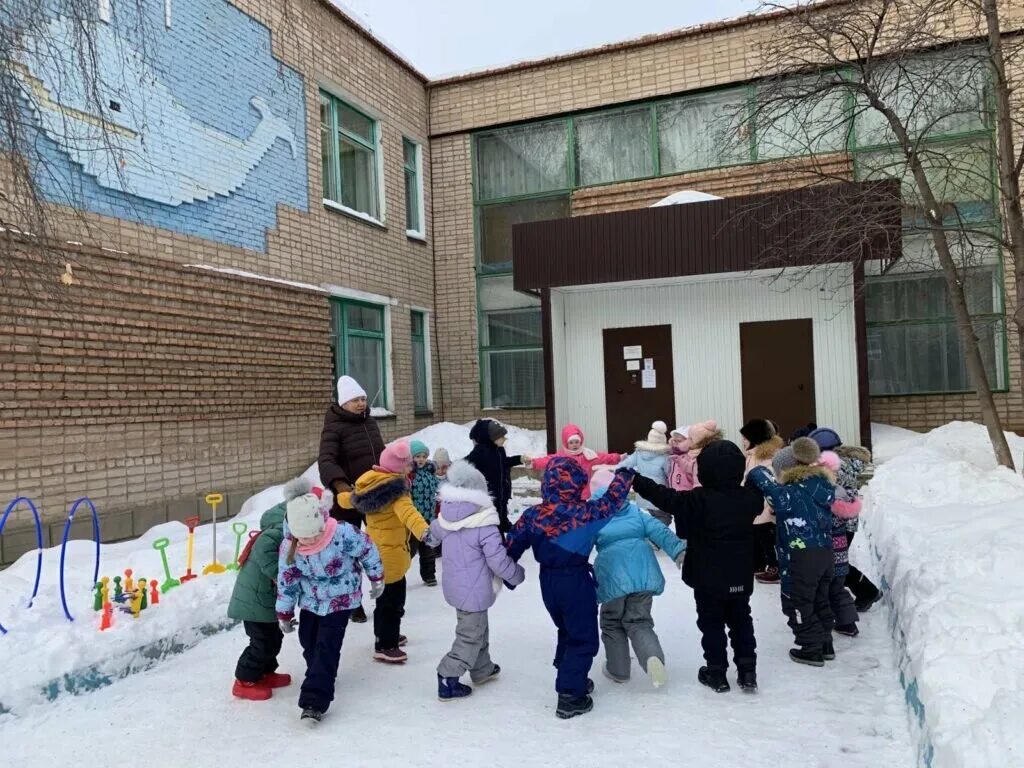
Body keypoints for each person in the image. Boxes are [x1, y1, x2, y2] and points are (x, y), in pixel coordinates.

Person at [506, 458, 635, 720]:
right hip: (575, 581)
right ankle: (570, 695)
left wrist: (507, 575)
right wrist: (624, 475)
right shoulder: (586, 513)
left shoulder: (533, 515)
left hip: (548, 583)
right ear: (578, 484)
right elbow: (611, 501)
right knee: (583, 636)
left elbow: (512, 545)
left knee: (566, 628)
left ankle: (568, 672)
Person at [631, 441, 762, 694]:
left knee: (711, 624)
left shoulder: (696, 500)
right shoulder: (749, 498)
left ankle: (717, 673)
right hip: (739, 575)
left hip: (706, 578)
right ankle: (748, 672)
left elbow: (663, 497)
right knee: (741, 620)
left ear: (703, 471)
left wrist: (636, 480)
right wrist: (756, 479)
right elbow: (759, 495)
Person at [275, 482, 384, 722]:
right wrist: (284, 613)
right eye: (304, 537)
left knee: (327, 645)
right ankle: (320, 672)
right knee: (309, 640)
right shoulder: (289, 547)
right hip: (310, 601)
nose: (311, 540)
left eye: (315, 534)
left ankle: (314, 700)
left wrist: (377, 578)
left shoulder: (342, 533)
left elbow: (368, 550)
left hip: (341, 598)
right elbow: (287, 580)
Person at [430, 461, 526, 701]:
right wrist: (517, 574)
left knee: (477, 628)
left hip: (455, 587)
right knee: (470, 635)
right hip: (475, 590)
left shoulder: (446, 517)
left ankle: (482, 669)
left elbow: (431, 536)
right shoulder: (484, 523)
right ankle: (447, 675)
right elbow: (498, 561)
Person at [339, 440, 438, 664]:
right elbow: (409, 514)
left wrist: (333, 499)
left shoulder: (369, 484)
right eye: (407, 465)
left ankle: (384, 636)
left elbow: (348, 500)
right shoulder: (396, 492)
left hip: (377, 551)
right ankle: (386, 644)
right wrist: (425, 533)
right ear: (397, 467)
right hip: (390, 554)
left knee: (386, 599)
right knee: (392, 602)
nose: (410, 468)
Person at [589, 469, 685, 689]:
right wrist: (679, 551)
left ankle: (618, 669)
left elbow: (580, 544)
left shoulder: (594, 516)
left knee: (612, 622)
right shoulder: (635, 512)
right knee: (639, 621)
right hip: (643, 573)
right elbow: (660, 531)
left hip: (612, 577)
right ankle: (652, 659)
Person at [747, 438, 836, 667]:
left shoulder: (790, 493)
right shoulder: (820, 486)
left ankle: (811, 648)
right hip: (825, 553)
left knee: (797, 601)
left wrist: (757, 470)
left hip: (801, 556)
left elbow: (770, 487)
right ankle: (825, 643)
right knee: (819, 599)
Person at [317, 375, 385, 623]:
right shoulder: (335, 426)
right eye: (356, 400)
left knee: (381, 546)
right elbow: (326, 460)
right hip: (348, 501)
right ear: (344, 402)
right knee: (351, 553)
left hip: (375, 495)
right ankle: (353, 602)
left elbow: (380, 454)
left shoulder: (370, 423)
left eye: (364, 399)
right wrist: (341, 487)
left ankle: (384, 596)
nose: (361, 404)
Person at [227, 480, 294, 701]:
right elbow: (268, 561)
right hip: (254, 601)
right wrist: (282, 575)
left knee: (274, 638)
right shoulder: (272, 535)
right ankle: (244, 680)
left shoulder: (284, 532)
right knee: (262, 642)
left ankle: (264, 672)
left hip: (265, 599)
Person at [808, 427, 880, 612]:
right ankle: (864, 592)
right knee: (835, 563)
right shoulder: (846, 463)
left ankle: (865, 592)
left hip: (839, 523)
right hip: (845, 522)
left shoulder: (836, 468)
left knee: (834, 565)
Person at [817, 452, 862, 637]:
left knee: (826, 588)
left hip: (828, 550)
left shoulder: (824, 495)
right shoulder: (843, 493)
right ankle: (849, 623)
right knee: (838, 587)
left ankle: (831, 621)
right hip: (841, 548)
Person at [739, 418, 785, 584]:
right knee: (756, 537)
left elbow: (774, 482)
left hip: (766, 506)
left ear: (755, 438)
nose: (743, 441)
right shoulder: (752, 455)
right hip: (754, 505)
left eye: (746, 438)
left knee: (767, 539)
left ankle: (775, 567)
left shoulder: (768, 458)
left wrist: (771, 506)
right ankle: (759, 564)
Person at [529, 424, 621, 499]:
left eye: (577, 442)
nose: (574, 445)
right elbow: (546, 460)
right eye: (571, 443)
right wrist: (533, 463)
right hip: (566, 494)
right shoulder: (561, 456)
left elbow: (603, 457)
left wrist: (618, 457)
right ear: (566, 443)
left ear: (580, 442)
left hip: (582, 495)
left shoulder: (587, 455)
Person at [465, 419, 523, 534]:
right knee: (493, 524)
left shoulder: (499, 450)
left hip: (502, 492)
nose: (505, 439)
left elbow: (503, 463)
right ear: (492, 438)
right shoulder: (480, 452)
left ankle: (503, 524)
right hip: (490, 495)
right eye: (502, 437)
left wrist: (519, 459)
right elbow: (465, 464)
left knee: (501, 512)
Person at [617, 421, 673, 527]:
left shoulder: (638, 453)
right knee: (661, 522)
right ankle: (659, 541)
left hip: (642, 495)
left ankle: (648, 541)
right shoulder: (665, 457)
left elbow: (623, 465)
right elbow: (670, 475)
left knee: (645, 522)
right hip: (659, 495)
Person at [409, 439, 440, 587]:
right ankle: (398, 574)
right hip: (414, 518)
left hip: (429, 517)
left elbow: (437, 488)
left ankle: (429, 575)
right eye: (417, 456)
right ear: (411, 458)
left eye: (423, 456)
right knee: (411, 549)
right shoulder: (409, 475)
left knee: (428, 548)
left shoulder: (430, 473)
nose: (420, 459)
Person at [666, 421, 721, 493]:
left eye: (679, 441)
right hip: (676, 495)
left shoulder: (692, 456)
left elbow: (694, 475)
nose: (675, 443)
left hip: (690, 496)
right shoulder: (672, 456)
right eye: (674, 440)